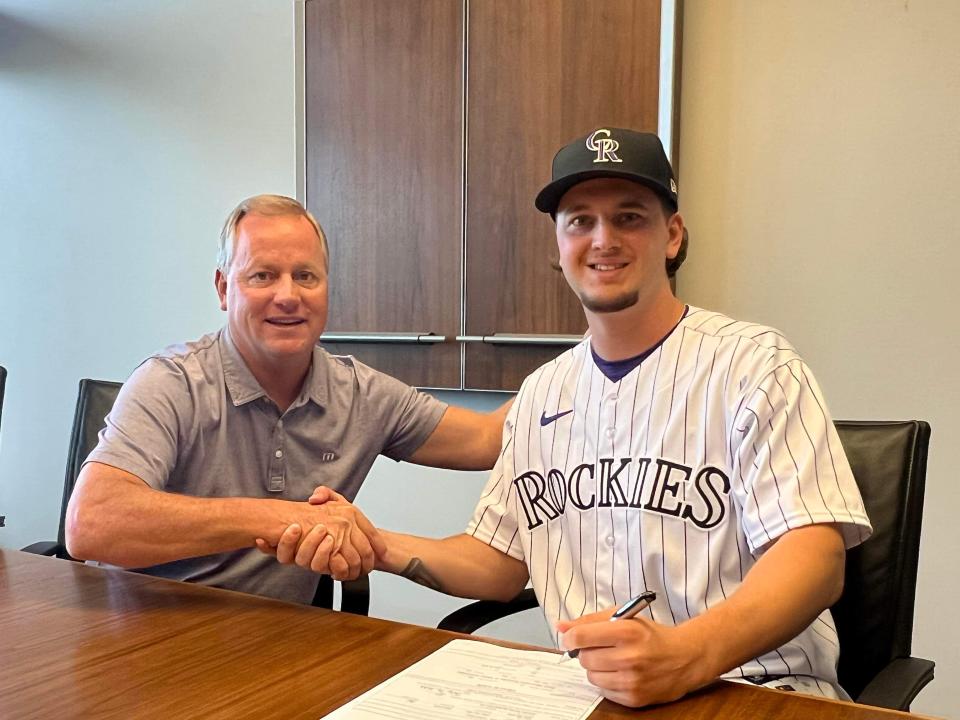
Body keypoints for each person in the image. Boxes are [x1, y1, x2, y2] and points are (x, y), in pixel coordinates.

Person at [278, 128, 872, 707]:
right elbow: (498, 564)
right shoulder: (541, 393)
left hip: (751, 690)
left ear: (672, 235)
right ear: (558, 246)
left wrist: (686, 655)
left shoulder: (754, 364)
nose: (603, 239)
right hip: (592, 696)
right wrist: (376, 542)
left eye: (629, 217)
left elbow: (815, 558)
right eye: (580, 220)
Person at [65, 194, 508, 604]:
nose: (288, 296)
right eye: (262, 275)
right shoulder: (171, 383)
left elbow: (489, 439)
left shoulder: (362, 394)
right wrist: (278, 519)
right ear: (223, 289)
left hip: (277, 646)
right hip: (143, 646)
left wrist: (579, 350)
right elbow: (91, 524)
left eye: (305, 276)